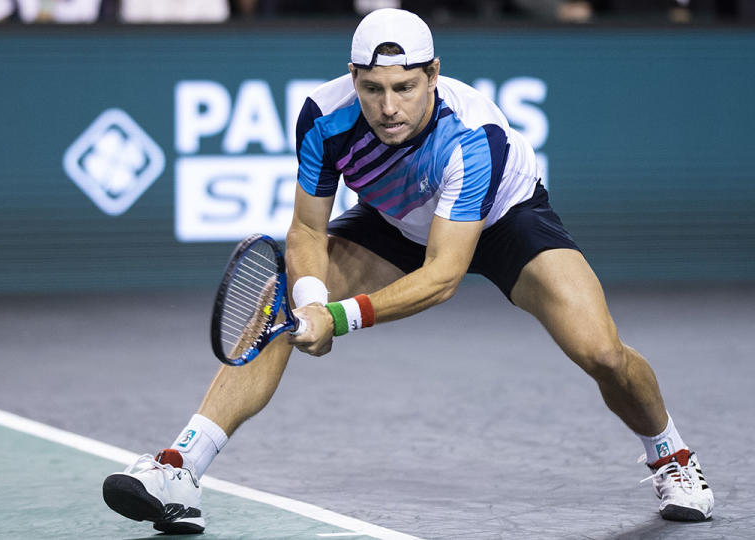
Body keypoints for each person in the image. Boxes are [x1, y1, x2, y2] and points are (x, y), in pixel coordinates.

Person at [102, 8, 714, 534]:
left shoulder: (474, 138)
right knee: (278, 299)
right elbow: (309, 229)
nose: (388, 107)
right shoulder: (322, 116)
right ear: (353, 79)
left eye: (403, 87)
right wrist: (310, 296)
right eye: (372, 88)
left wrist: (336, 319)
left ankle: (671, 456)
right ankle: (180, 469)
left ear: (433, 75)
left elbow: (444, 276)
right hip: (395, 219)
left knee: (602, 352)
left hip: (505, 222)